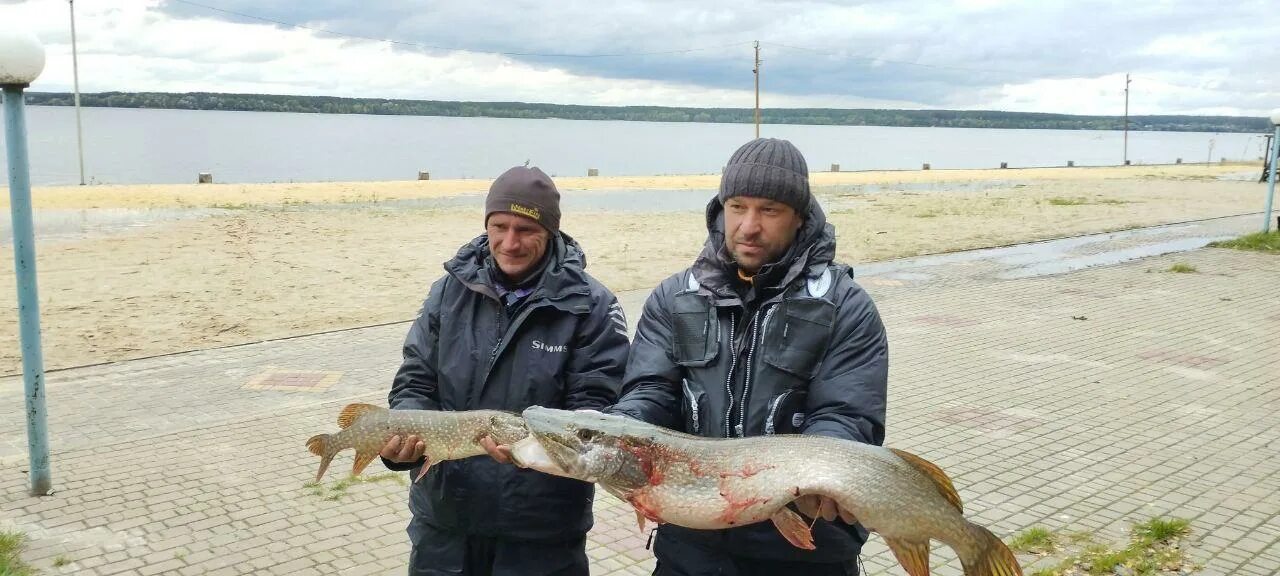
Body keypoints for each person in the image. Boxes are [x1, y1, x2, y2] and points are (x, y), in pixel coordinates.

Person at [606, 138, 889, 576]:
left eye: (769, 210)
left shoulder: (844, 306)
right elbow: (650, 391)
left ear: (799, 218)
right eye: (737, 207)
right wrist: (617, 434)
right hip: (692, 547)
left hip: (806, 551)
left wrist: (818, 476)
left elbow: (847, 416)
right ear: (721, 210)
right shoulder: (674, 297)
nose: (748, 226)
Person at [381, 165, 630, 576]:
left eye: (526, 229)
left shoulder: (591, 306)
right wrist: (404, 440)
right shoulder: (449, 290)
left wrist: (532, 454)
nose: (509, 243)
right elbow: (415, 379)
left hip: (539, 530)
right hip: (445, 522)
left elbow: (596, 411)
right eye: (499, 226)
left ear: (550, 232)